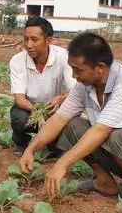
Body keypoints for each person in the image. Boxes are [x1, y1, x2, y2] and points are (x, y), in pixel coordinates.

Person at [19, 32, 122, 208]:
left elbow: (102, 129)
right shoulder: (85, 85)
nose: (74, 76)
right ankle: (104, 182)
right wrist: (31, 149)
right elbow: (59, 118)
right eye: (72, 69)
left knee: (117, 133)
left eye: (78, 70)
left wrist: (62, 164)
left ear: (100, 68)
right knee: (73, 125)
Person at [9, 16, 75, 156]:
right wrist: (37, 112)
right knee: (18, 117)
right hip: (29, 106)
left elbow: (76, 91)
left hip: (54, 107)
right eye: (26, 39)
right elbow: (19, 99)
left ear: (49, 40)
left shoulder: (64, 57)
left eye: (34, 39)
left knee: (57, 149)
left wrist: (61, 98)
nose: (28, 45)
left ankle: (54, 145)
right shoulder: (17, 60)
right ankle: (21, 143)